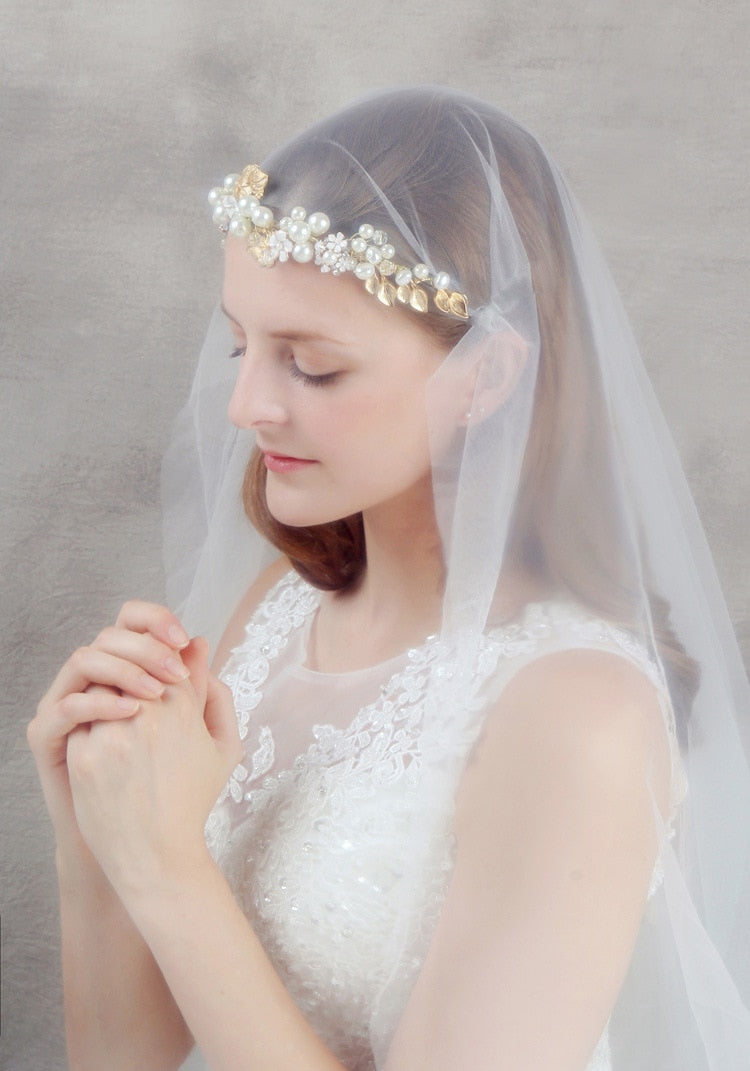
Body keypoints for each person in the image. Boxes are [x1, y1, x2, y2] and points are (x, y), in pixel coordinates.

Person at [28, 87, 750, 1070]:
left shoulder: (579, 715)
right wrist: (94, 833)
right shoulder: (280, 610)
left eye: (313, 367)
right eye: (242, 345)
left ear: (488, 377)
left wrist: (162, 867)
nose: (245, 404)